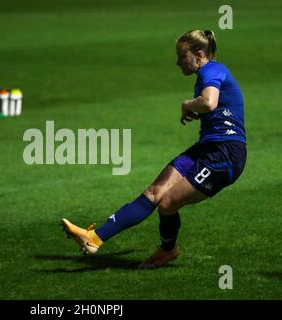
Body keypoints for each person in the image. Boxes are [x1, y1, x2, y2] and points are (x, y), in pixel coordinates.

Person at [61, 29, 247, 269]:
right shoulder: (209, 72)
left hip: (226, 155)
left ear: (199, 54)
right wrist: (195, 108)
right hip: (207, 147)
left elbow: (209, 102)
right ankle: (94, 239)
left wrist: (187, 104)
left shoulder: (211, 70)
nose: (177, 61)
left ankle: (166, 250)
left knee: (168, 203)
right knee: (154, 192)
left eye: (182, 56)